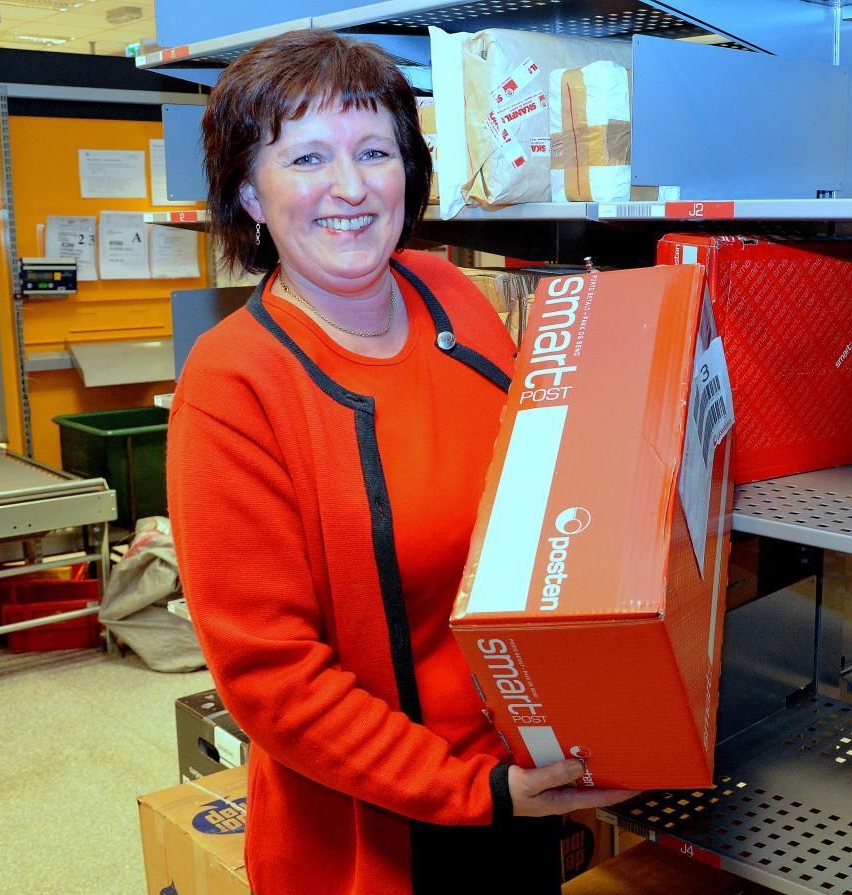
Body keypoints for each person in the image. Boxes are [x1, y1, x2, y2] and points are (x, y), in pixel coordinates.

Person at [167, 30, 634, 895]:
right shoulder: (234, 383)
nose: (350, 187)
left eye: (374, 151)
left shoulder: (447, 291)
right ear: (250, 192)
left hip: (521, 788)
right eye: (307, 157)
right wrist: (477, 790)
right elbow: (273, 679)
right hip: (374, 835)